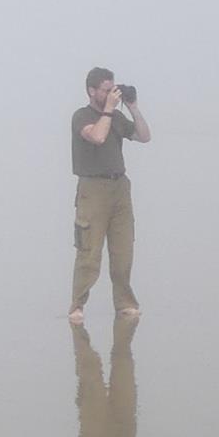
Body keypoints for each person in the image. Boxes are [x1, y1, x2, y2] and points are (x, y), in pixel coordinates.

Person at [69, 65, 152, 323]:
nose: (111, 94)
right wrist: (107, 110)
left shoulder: (116, 117)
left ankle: (125, 303)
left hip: (119, 188)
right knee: (89, 252)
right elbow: (97, 137)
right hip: (93, 190)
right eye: (106, 90)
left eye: (112, 88)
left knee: (123, 252)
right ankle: (77, 305)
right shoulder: (81, 116)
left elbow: (144, 136)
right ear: (92, 90)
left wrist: (133, 106)